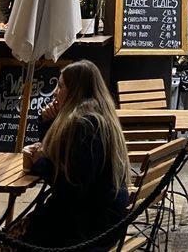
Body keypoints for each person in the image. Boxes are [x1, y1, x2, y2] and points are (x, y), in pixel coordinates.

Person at [21, 60, 131, 251]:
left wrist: (40, 163)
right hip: (105, 218)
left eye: (61, 86)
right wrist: (49, 123)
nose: (55, 91)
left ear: (76, 90)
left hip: (89, 226)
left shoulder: (84, 125)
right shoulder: (97, 114)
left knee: (16, 238)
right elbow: (63, 157)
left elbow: (71, 185)